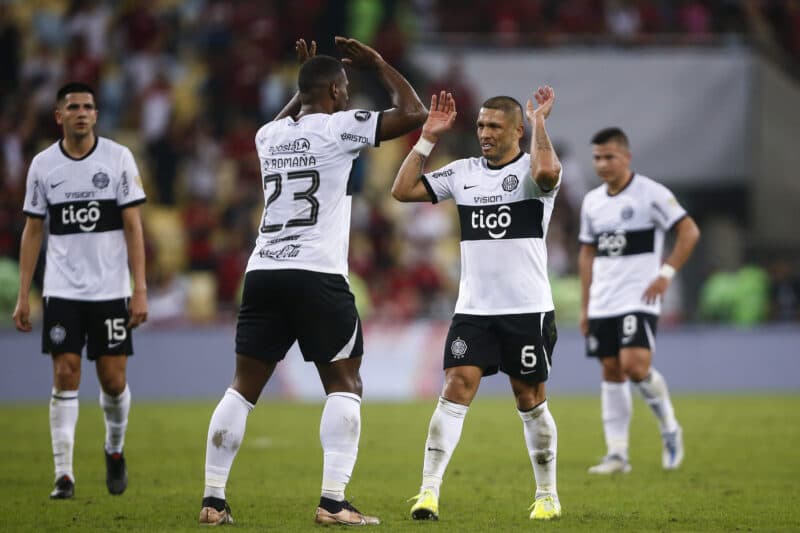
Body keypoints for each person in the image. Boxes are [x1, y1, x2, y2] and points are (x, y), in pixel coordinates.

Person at [198, 37, 426, 527]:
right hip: (317, 272)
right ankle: (333, 502)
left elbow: (292, 119)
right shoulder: (341, 127)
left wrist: (304, 88)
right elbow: (414, 112)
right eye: (344, 89)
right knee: (345, 383)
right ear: (337, 91)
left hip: (263, 271)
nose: (348, 95)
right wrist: (377, 64)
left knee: (242, 388)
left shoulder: (267, 136)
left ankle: (213, 500)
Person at [391, 87, 563, 521]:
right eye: (481, 125)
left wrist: (540, 122)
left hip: (527, 309)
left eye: (495, 127)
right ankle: (428, 492)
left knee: (529, 398)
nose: (484, 133)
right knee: (454, 387)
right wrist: (427, 137)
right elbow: (402, 190)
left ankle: (547, 495)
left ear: (517, 131)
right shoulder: (462, 172)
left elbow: (548, 173)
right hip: (474, 310)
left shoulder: (532, 171)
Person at [13, 82, 148, 499]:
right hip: (62, 290)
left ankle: (114, 448)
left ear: (96, 115)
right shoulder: (43, 165)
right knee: (65, 372)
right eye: (73, 107)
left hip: (110, 290)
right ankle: (64, 475)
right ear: (59, 116)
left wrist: (139, 289)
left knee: (113, 380)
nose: (82, 113)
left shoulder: (118, 158)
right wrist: (23, 294)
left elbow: (133, 227)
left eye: (88, 106)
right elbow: (33, 230)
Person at [578, 127, 700, 474]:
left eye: (609, 157)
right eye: (597, 158)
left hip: (638, 297)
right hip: (603, 300)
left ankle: (669, 426)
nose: (602, 164)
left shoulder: (651, 194)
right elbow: (587, 254)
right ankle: (617, 454)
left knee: (635, 366)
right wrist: (586, 305)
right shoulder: (592, 202)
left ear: (626, 157)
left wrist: (666, 273)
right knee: (611, 370)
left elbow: (689, 231)